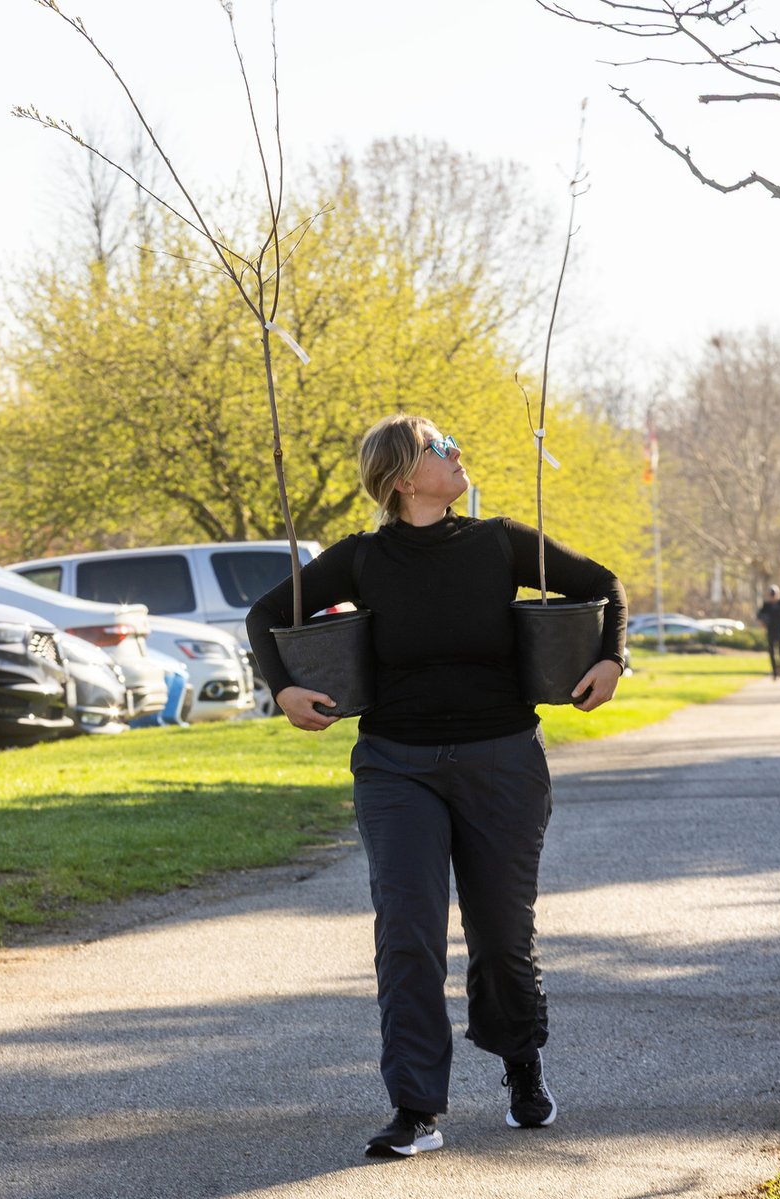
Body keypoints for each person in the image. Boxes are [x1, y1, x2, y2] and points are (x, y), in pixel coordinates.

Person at [246, 413, 627, 1159]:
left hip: (503, 760)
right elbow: (265, 614)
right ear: (401, 476)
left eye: (454, 443)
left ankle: (522, 1067)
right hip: (396, 766)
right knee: (409, 933)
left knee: (501, 933)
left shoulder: (501, 540)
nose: (457, 454)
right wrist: (284, 689)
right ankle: (416, 1106)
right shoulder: (360, 559)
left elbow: (604, 585)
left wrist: (612, 660)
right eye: (439, 447)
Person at [756, 584, 780, 679]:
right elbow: (760, 615)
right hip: (771, 631)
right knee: (772, 651)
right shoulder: (767, 605)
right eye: (772, 594)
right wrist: (763, 624)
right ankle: (774, 671)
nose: (773, 596)